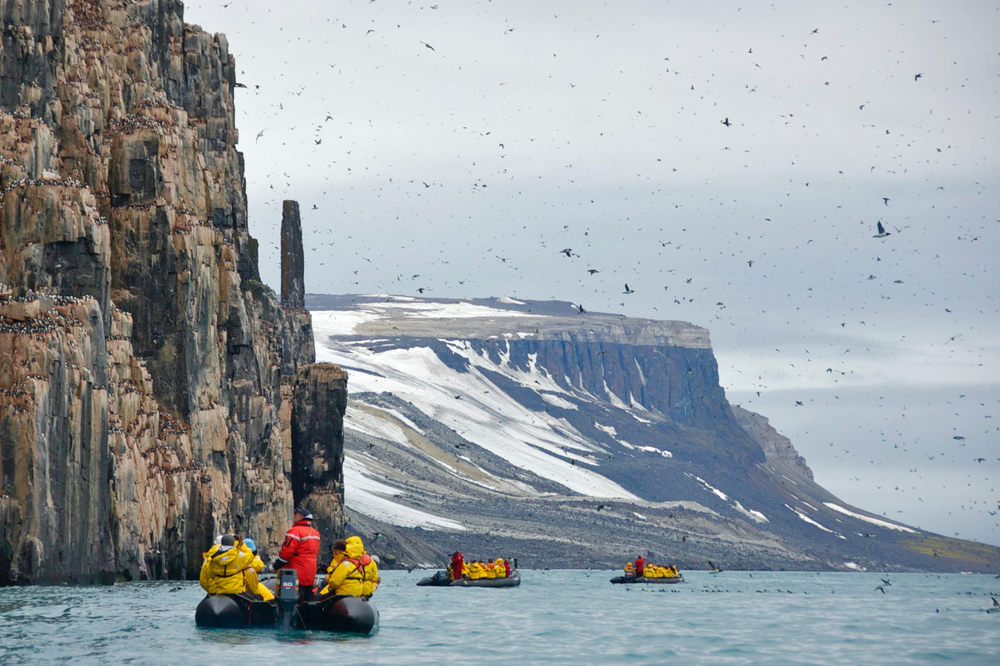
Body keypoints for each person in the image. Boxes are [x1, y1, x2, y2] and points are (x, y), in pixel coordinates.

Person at [273, 506, 321, 600]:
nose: (294, 516)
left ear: (301, 516)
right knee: (308, 597)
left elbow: (287, 551)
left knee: (296, 599)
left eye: (296, 514)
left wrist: (278, 564)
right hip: (310, 572)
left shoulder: (295, 531)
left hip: (296, 571)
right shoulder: (316, 533)